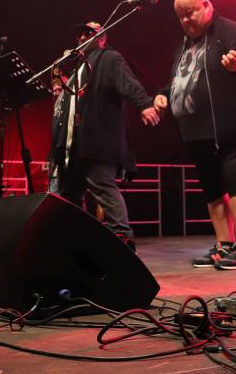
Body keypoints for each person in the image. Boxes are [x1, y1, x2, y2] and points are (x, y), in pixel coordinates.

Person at [151, 0, 236, 270]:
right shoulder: (184, 45)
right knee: (212, 189)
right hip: (196, 132)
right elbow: (178, 80)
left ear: (207, 6)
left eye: (190, 13)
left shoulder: (230, 32)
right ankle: (224, 245)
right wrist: (163, 95)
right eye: (180, 16)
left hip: (231, 126)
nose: (185, 20)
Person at [49, 22, 161, 251]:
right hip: (78, 144)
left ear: (101, 38)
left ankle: (123, 236)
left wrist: (144, 104)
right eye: (80, 33)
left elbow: (127, 81)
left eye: (89, 33)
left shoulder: (108, 57)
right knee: (71, 191)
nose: (83, 37)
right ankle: (76, 239)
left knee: (101, 182)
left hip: (99, 139)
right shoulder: (80, 68)